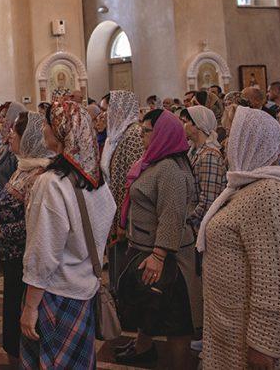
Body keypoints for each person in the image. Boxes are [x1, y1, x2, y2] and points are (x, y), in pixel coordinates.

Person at [196, 106, 280, 370]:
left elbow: (277, 281)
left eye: (232, 135)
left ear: (251, 140)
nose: (225, 143)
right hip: (234, 336)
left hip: (261, 350)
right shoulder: (247, 187)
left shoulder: (270, 195)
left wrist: (264, 347)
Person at [19, 101, 116, 368]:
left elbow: (43, 252)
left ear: (61, 132)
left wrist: (29, 307)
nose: (44, 128)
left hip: (56, 294)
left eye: (48, 123)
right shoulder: (96, 179)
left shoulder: (52, 184)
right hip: (85, 288)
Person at [115, 109, 199, 365]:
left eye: (147, 130)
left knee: (176, 321)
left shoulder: (170, 170)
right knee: (150, 311)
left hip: (168, 259)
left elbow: (171, 216)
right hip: (146, 249)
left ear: (163, 133)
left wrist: (159, 255)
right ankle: (144, 350)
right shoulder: (154, 162)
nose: (141, 134)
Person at [0, 111, 50, 360]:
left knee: (22, 317)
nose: (9, 137)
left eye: (15, 133)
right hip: (11, 256)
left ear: (29, 138)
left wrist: (0, 230)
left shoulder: (40, 175)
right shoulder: (24, 166)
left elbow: (35, 225)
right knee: (11, 312)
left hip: (24, 260)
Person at [99, 91, 145, 299]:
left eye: (106, 110)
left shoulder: (134, 134)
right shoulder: (116, 135)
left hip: (126, 211)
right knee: (116, 258)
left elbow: (133, 179)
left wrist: (123, 218)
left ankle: (125, 303)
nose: (104, 115)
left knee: (125, 260)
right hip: (113, 206)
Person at [181, 105, 226, 232]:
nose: (182, 125)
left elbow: (208, 201)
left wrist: (187, 221)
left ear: (198, 125)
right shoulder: (193, 151)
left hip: (201, 227)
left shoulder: (209, 155)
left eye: (185, 122)